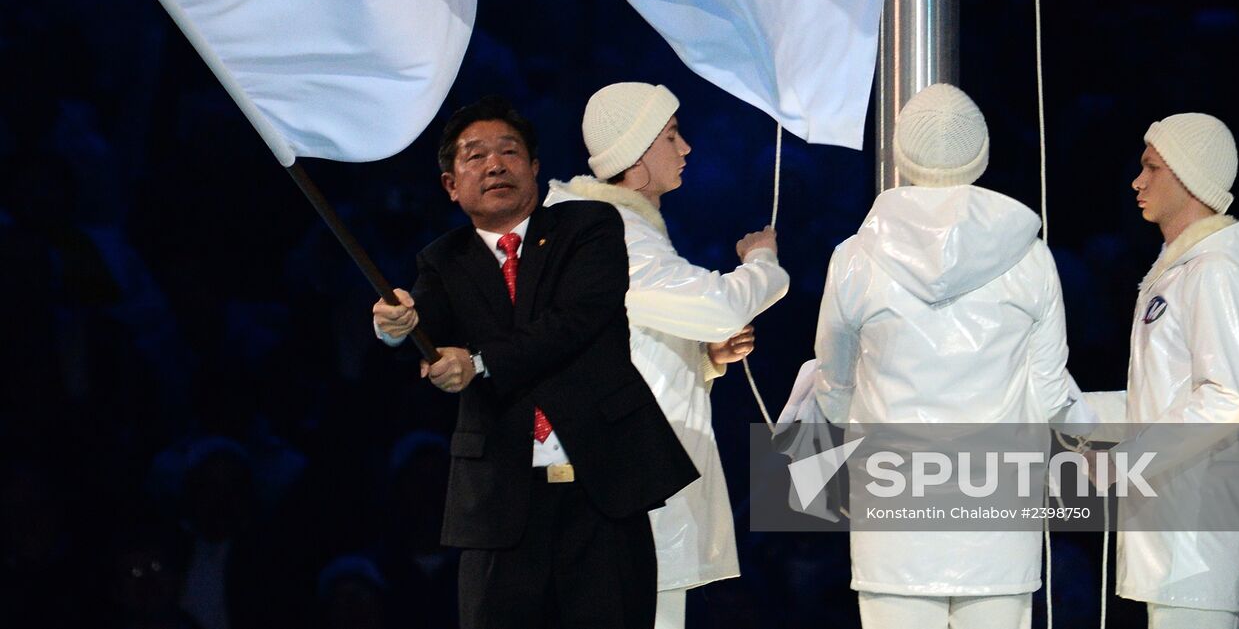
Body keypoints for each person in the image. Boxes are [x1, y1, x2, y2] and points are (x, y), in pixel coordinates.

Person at [371, 95, 698, 629]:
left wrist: (477, 362)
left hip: (602, 489)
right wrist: (393, 326)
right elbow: (419, 322)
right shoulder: (441, 260)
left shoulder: (589, 227)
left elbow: (575, 321)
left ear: (535, 169)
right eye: (475, 156)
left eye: (509, 151)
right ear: (451, 185)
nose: (495, 164)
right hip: (500, 501)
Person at [812, 84, 1086, 629]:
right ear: (979, 156)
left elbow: (834, 384)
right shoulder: (1031, 258)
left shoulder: (854, 259)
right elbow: (1053, 394)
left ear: (901, 156)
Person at [543, 82, 789, 629]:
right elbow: (720, 304)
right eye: (672, 136)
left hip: (639, 479)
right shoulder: (614, 234)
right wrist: (762, 262)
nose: (686, 149)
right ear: (635, 153)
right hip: (631, 486)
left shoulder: (620, 230)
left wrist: (705, 356)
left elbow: (634, 346)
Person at [1083, 114, 1239, 629]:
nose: (1138, 181)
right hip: (1176, 527)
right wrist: (1065, 410)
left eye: (1151, 167)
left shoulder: (1215, 270)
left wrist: (1127, 461)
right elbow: (1158, 399)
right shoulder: (1185, 267)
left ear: (1189, 177)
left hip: (1197, 530)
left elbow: (1226, 399)